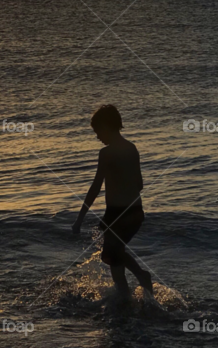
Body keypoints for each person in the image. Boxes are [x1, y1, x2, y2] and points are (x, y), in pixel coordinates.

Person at [72, 104, 153, 297]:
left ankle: (141, 277)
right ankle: (125, 296)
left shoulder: (106, 154)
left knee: (111, 253)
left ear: (107, 127)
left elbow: (95, 188)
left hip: (117, 213)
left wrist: (79, 218)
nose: (97, 136)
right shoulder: (132, 148)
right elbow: (140, 184)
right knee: (114, 255)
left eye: (98, 131)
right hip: (135, 212)